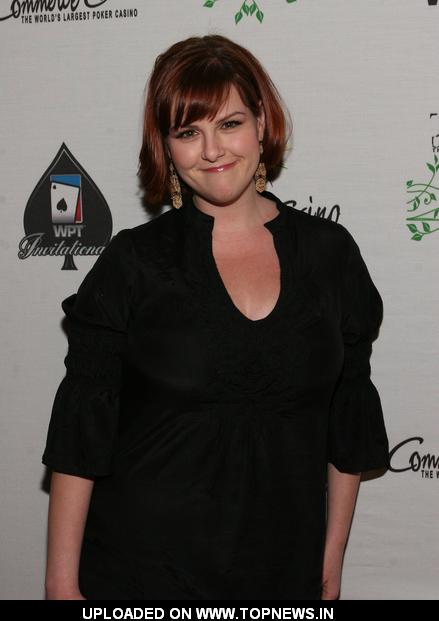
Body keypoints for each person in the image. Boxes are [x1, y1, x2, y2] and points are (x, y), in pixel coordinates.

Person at [42, 34, 389, 601]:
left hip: (284, 576)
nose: (212, 150)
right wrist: (61, 587)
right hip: (141, 575)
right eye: (188, 132)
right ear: (166, 147)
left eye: (229, 123)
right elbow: (81, 437)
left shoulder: (330, 255)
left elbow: (347, 421)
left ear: (261, 123)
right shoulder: (134, 262)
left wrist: (329, 569)